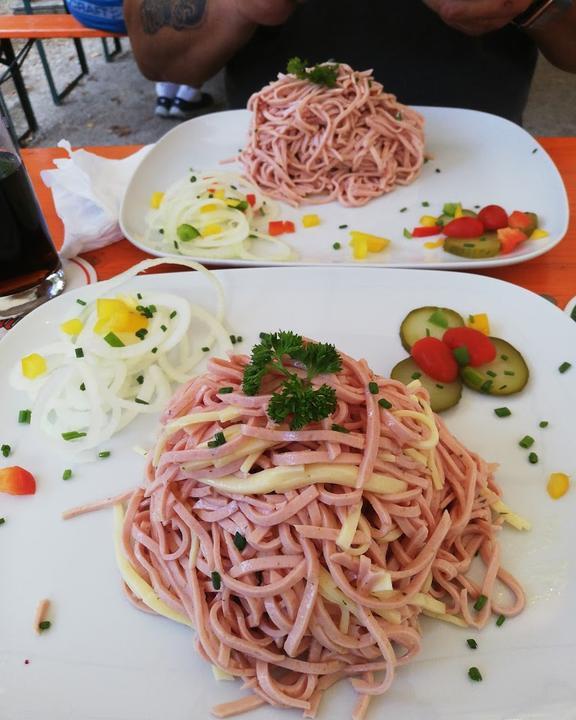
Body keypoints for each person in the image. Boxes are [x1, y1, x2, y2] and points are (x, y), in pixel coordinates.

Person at [124, 0, 576, 125]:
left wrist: (538, 4)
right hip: (267, 200)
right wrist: (239, 6)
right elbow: (160, 61)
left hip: (482, 186)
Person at [65, 0, 213, 118]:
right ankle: (187, 95)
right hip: (125, 14)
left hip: (80, 9)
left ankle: (166, 93)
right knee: (203, 12)